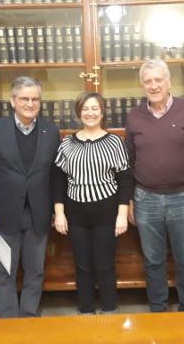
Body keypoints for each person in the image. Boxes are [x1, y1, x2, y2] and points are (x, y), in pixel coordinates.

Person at [125, 58, 184, 312]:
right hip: (145, 199)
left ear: (168, 81)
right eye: (148, 81)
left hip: (183, 198)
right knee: (152, 260)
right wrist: (128, 200)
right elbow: (129, 160)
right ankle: (158, 309)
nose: (153, 85)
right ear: (142, 86)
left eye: (158, 79)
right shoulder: (134, 116)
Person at [0, 76, 60, 318]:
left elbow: (56, 175)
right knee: (6, 271)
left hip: (39, 213)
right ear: (13, 101)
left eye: (35, 99)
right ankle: (8, 319)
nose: (30, 103)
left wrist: (57, 209)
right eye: (24, 98)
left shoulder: (51, 131)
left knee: (35, 271)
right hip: (4, 214)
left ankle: (28, 316)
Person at [53, 92, 132, 314]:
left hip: (106, 213)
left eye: (94, 108)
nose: (90, 112)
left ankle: (110, 310)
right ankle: (85, 310)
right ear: (79, 113)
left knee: (105, 265)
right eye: (85, 108)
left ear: (102, 111)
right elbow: (58, 179)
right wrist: (59, 213)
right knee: (82, 266)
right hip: (75, 213)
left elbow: (124, 180)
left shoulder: (114, 142)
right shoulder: (67, 142)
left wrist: (121, 214)